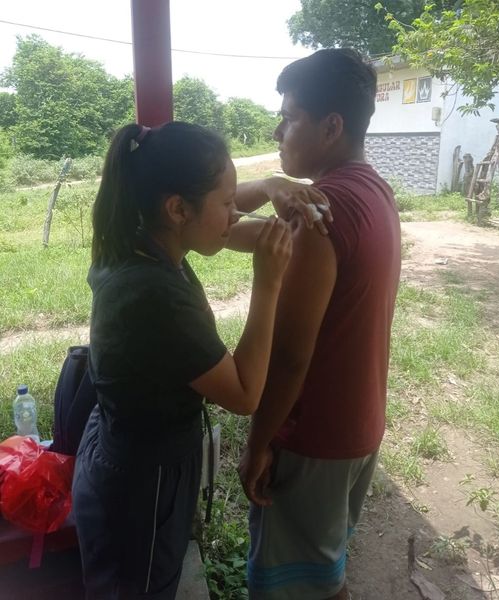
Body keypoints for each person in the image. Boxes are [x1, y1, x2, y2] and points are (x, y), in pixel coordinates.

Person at [72, 121, 293, 599]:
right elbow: (244, 394)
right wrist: (268, 282)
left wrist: (268, 187)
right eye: (228, 203)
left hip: (119, 452)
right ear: (177, 209)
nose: (236, 214)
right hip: (142, 485)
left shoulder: (133, 237)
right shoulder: (156, 296)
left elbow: (217, 226)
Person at [236, 48, 402, 600]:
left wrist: (259, 442)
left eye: (289, 117)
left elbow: (290, 355)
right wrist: (270, 183)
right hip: (359, 427)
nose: (278, 131)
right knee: (325, 576)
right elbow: (222, 221)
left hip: (312, 440)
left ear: (331, 127)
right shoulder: (374, 191)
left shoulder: (319, 214)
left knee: (298, 589)